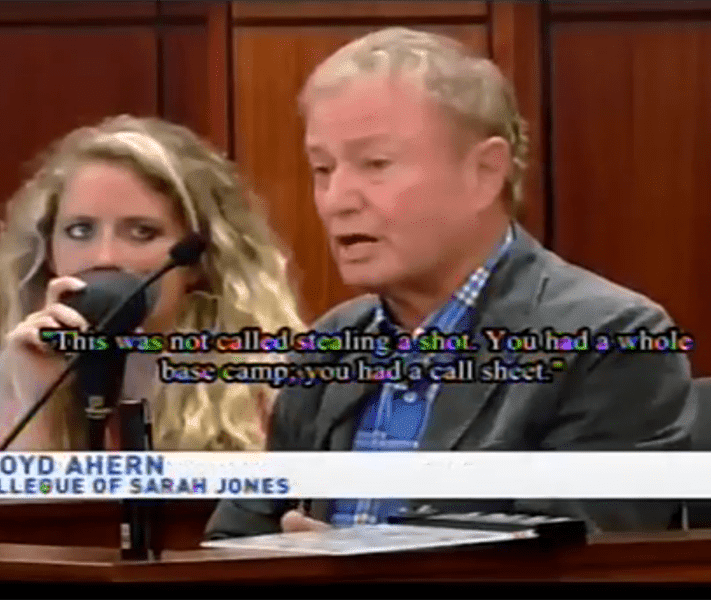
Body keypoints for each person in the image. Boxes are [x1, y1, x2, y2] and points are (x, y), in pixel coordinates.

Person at [206, 28, 696, 536]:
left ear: (484, 172)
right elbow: (230, 540)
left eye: (376, 164)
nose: (337, 200)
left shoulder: (611, 341)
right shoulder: (331, 347)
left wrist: (351, 564)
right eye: (322, 169)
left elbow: (573, 558)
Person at [0, 115, 305, 451]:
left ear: (196, 261)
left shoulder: (268, 385)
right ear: (48, 252)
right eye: (80, 230)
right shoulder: (26, 368)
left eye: (142, 232)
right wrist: (39, 404)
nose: (104, 257)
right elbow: (25, 487)